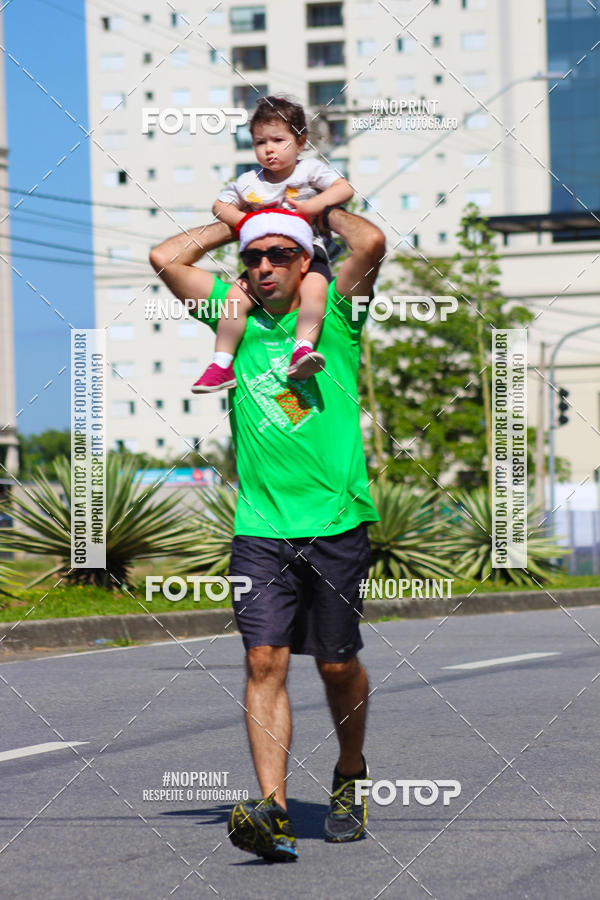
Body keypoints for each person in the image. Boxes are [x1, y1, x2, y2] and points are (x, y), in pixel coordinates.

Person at [149, 205, 385, 862]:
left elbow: (370, 240)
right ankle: (274, 812)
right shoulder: (234, 316)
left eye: (280, 254)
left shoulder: (334, 313)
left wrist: (312, 210)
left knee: (336, 664)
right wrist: (243, 221)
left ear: (306, 261)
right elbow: (166, 258)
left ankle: (350, 772)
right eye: (254, 257)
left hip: (336, 522)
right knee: (263, 660)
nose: (264, 266)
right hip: (259, 527)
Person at [191, 95, 354, 393]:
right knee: (235, 298)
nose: (269, 149)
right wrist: (245, 221)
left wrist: (312, 206)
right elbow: (219, 205)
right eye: (260, 142)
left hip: (307, 250)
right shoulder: (249, 181)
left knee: (315, 289)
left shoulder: (310, 170)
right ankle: (221, 364)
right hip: (263, 257)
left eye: (279, 140)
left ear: (300, 142)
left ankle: (303, 349)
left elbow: (344, 188)